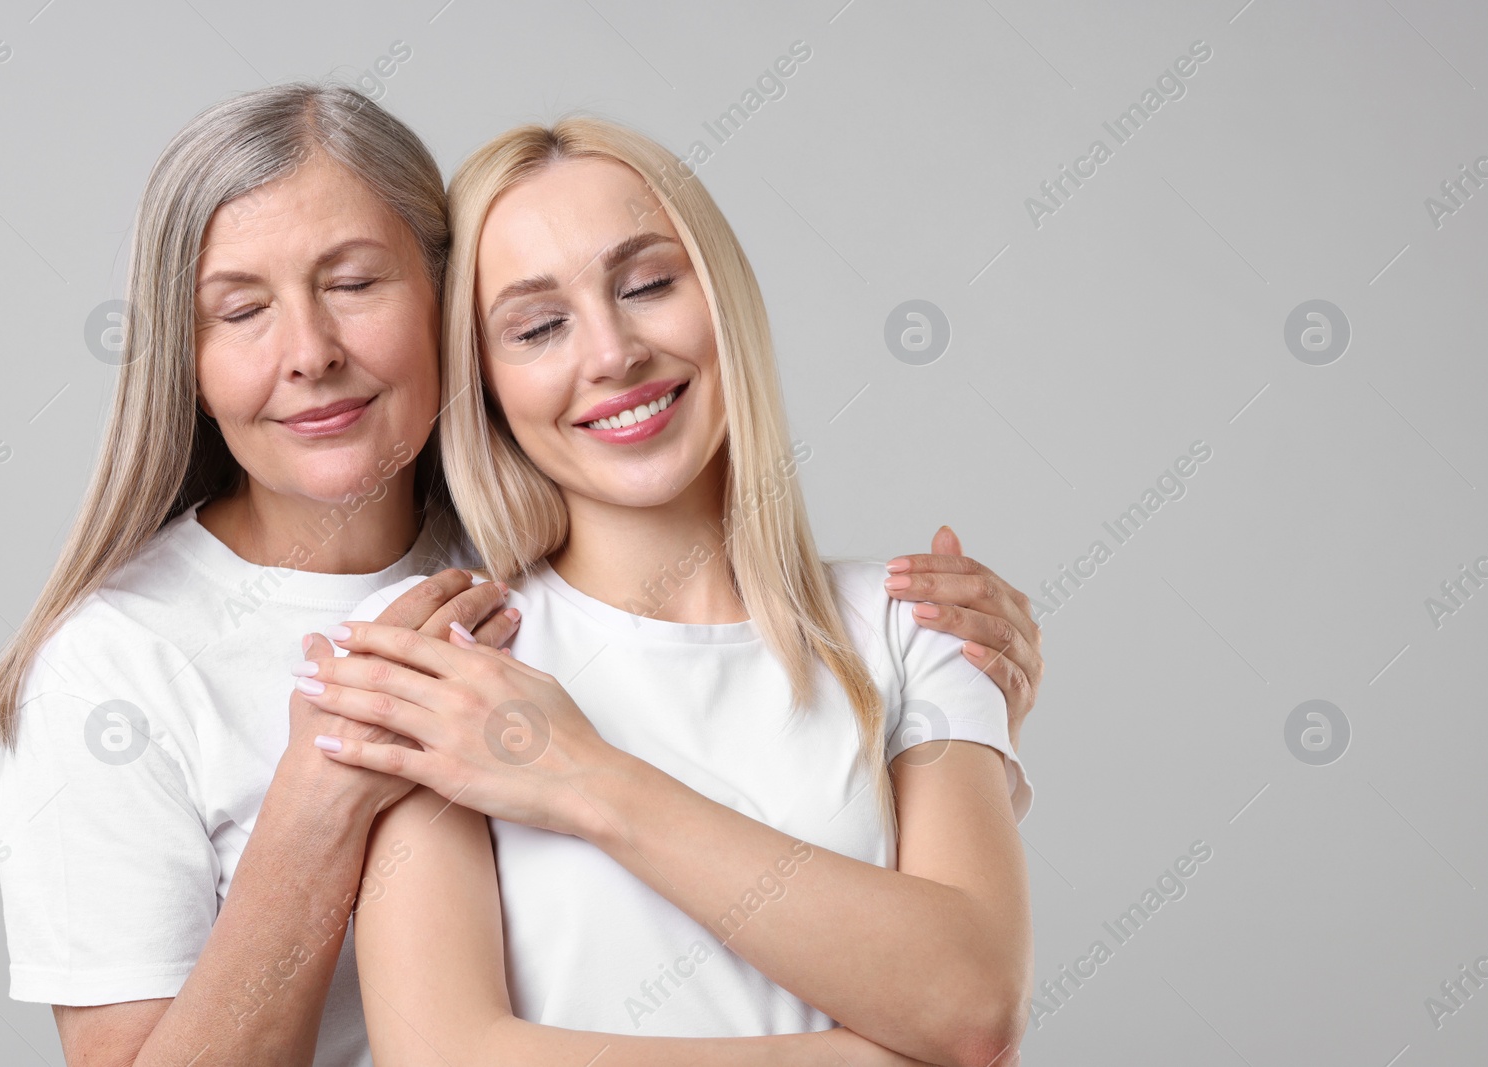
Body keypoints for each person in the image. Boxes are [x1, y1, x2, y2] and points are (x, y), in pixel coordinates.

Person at [0, 85, 1043, 1066]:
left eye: (354, 281)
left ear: (443, 314)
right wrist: (318, 803)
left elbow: (961, 990)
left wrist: (950, 683)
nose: (310, 350)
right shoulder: (150, 660)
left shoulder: (500, 590)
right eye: (240, 309)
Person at [303, 117, 1034, 1067]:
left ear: (722, 296)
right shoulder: (438, 654)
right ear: (483, 380)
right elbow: (443, 1055)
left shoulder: (913, 623)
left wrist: (583, 777)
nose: (611, 352)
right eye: (537, 327)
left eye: (647, 284)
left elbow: (973, 1003)